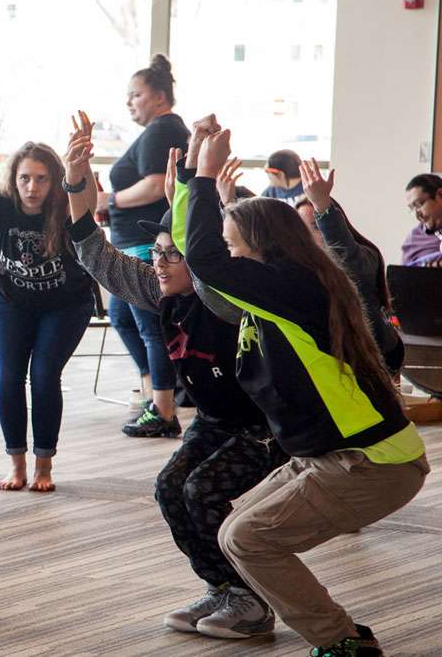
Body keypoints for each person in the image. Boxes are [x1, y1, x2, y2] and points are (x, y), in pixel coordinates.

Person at [184, 126, 429, 657]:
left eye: (234, 246)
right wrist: (211, 198)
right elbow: (207, 275)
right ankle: (315, 627)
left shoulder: (293, 287)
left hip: (370, 462)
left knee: (250, 539)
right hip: (331, 456)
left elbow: (204, 262)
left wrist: (203, 176)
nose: (227, 257)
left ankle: (343, 641)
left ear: (262, 250)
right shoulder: (269, 298)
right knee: (234, 532)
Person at [69, 117, 286, 638]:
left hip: (264, 430)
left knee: (201, 490)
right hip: (214, 422)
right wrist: (79, 183)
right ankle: (225, 589)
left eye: (171, 253)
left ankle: (252, 601)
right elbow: (96, 254)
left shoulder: (226, 301)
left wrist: (199, 176)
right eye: (158, 253)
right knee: (171, 487)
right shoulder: (162, 295)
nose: (159, 261)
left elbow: (204, 249)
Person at [0, 97, 95, 491]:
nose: (32, 187)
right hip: (11, 301)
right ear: (14, 180)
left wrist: (81, 165)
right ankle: (16, 464)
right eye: (25, 178)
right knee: (9, 378)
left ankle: (44, 466)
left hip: (66, 305)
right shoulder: (2, 207)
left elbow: (89, 201)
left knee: (45, 376)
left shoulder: (66, 207)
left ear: (54, 181)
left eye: (42, 179)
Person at [98, 54, 189, 437]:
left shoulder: (161, 130)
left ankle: (164, 408)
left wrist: (111, 201)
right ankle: (154, 391)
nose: (129, 102)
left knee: (149, 326)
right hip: (132, 242)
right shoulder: (158, 129)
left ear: (158, 96)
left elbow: (155, 185)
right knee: (122, 317)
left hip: (142, 244)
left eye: (136, 94)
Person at [297, 159, 405, 375]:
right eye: (301, 229)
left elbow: (346, 260)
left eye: (315, 227)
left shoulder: (364, 255)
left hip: (377, 354)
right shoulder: (298, 266)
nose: (308, 237)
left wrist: (322, 207)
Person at [402, 173, 442, 266]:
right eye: (412, 208)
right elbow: (403, 276)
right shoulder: (414, 239)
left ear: (440, 195)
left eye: (419, 204)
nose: (417, 215)